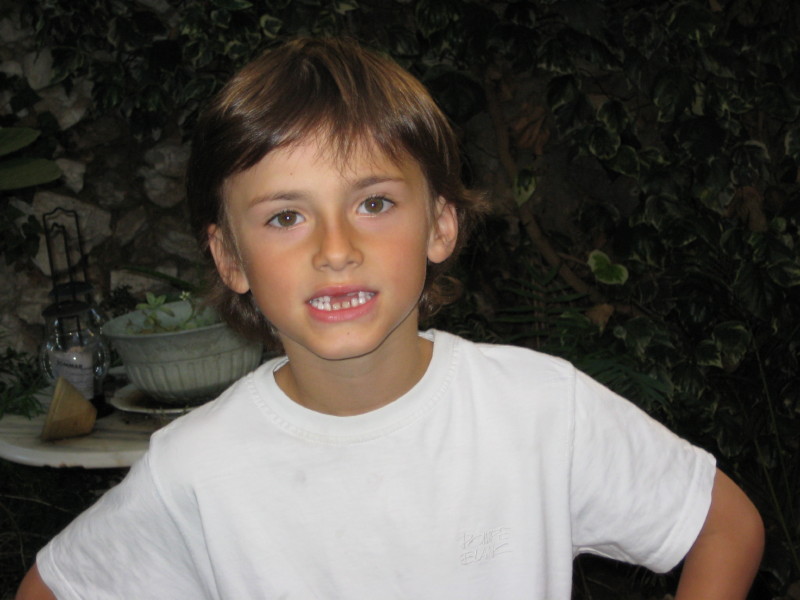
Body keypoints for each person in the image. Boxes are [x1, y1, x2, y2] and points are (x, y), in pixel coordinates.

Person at [18, 37, 763, 600]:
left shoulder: (540, 412)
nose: (335, 249)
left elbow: (724, 526)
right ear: (230, 257)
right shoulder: (196, 469)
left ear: (440, 224)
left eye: (374, 203)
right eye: (285, 216)